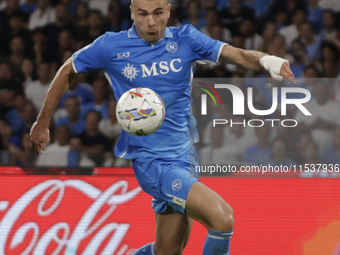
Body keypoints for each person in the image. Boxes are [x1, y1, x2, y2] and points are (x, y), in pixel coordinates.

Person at [30, 0, 295, 254]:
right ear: (132, 12)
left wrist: (269, 61)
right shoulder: (111, 46)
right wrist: (42, 123)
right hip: (152, 162)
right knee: (222, 219)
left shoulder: (186, 39)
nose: (151, 22)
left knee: (169, 251)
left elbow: (236, 55)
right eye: (143, 14)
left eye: (158, 13)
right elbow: (69, 69)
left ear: (168, 11)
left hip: (186, 155)